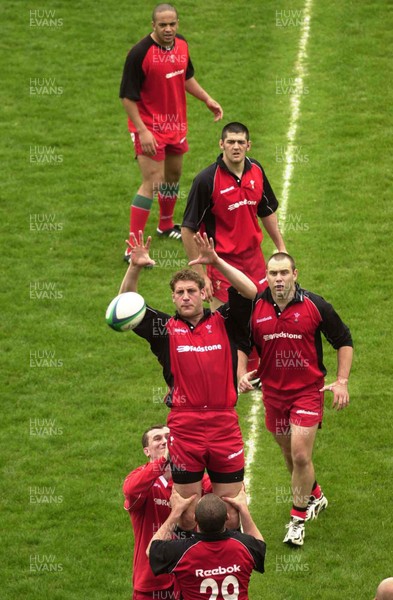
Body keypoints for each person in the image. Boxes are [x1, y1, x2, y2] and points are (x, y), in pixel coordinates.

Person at [119, 231, 257, 532]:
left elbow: (250, 291)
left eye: (191, 291)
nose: (185, 297)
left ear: (202, 292)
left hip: (224, 424)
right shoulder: (164, 329)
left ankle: (225, 564)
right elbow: (124, 307)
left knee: (231, 514)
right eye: (179, 292)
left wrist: (216, 262)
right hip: (185, 427)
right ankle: (194, 568)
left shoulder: (224, 321)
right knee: (186, 514)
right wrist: (135, 266)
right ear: (172, 297)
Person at [239, 252, 353, 547]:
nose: (278, 279)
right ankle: (315, 495)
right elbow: (242, 343)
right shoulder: (256, 307)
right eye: (273, 274)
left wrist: (341, 381)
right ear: (266, 276)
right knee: (290, 455)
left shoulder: (316, 305)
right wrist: (240, 372)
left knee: (301, 454)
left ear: (295, 274)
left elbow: (343, 340)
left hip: (307, 392)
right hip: (273, 394)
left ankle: (297, 520)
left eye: (284, 273)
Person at [119, 3, 223, 261]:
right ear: (152, 25)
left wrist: (207, 99)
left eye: (172, 24)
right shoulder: (139, 54)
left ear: (178, 23)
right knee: (153, 181)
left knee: (173, 174)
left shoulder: (182, 45)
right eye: (163, 24)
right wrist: (142, 131)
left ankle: (165, 224)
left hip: (176, 125)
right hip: (150, 127)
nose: (168, 29)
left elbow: (185, 77)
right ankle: (134, 247)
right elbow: (126, 97)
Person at [181, 122, 286, 310]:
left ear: (248, 145)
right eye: (230, 142)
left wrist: (281, 246)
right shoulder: (206, 181)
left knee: (263, 319)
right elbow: (188, 229)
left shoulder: (256, 170)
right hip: (222, 265)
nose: (236, 147)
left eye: (240, 142)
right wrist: (200, 276)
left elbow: (266, 211)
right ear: (221, 144)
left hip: (255, 260)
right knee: (227, 328)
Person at [123, 423, 211, 599]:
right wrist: (165, 459)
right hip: (151, 582)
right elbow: (131, 490)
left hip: (187, 579)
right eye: (157, 438)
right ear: (146, 451)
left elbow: (220, 491)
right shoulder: (141, 480)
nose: (165, 441)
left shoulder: (192, 479)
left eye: (168, 437)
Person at [147, 488, 266, 600]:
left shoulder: (181, 552)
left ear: (195, 518)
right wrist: (243, 508)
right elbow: (259, 543)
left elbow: (151, 550)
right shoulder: (244, 546)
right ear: (227, 517)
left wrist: (176, 511)